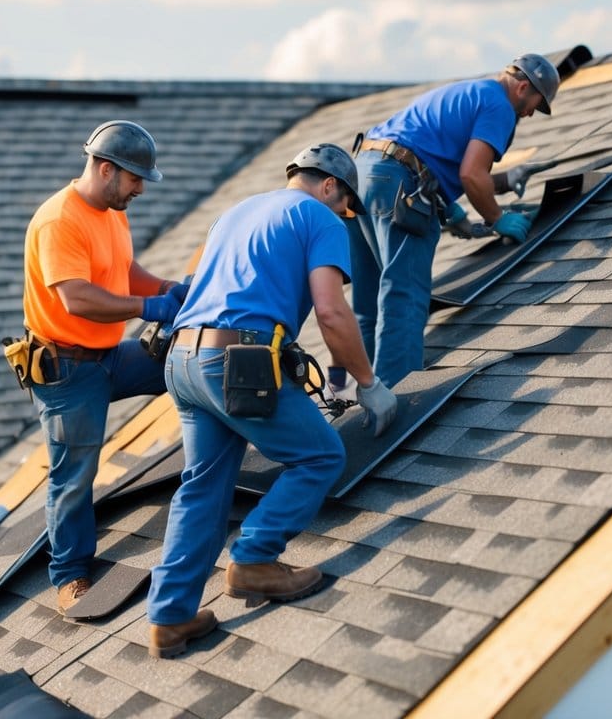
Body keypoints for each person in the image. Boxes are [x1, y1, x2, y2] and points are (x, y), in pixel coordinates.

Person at [145, 143, 399, 659]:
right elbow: (332, 313)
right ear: (331, 186)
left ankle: (170, 618)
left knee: (202, 485)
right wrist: (368, 384)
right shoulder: (320, 218)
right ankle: (254, 560)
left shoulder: (234, 213)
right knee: (321, 455)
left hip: (183, 360)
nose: (343, 215)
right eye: (344, 203)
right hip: (234, 366)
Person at [22, 119, 189, 616]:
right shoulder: (61, 220)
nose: (140, 188)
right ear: (105, 168)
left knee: (189, 362)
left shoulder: (112, 211)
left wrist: (164, 289)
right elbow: (77, 298)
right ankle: (70, 576)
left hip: (108, 355)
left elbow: (122, 270)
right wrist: (146, 309)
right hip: (68, 370)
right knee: (74, 473)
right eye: (135, 178)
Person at [347, 53, 561, 388]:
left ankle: (366, 392)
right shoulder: (500, 106)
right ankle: (396, 393)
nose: (530, 112)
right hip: (399, 183)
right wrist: (497, 217)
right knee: (405, 293)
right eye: (535, 104)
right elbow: (472, 175)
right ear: (522, 87)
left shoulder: (469, 92)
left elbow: (430, 155)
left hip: (360, 176)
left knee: (369, 296)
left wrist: (456, 209)